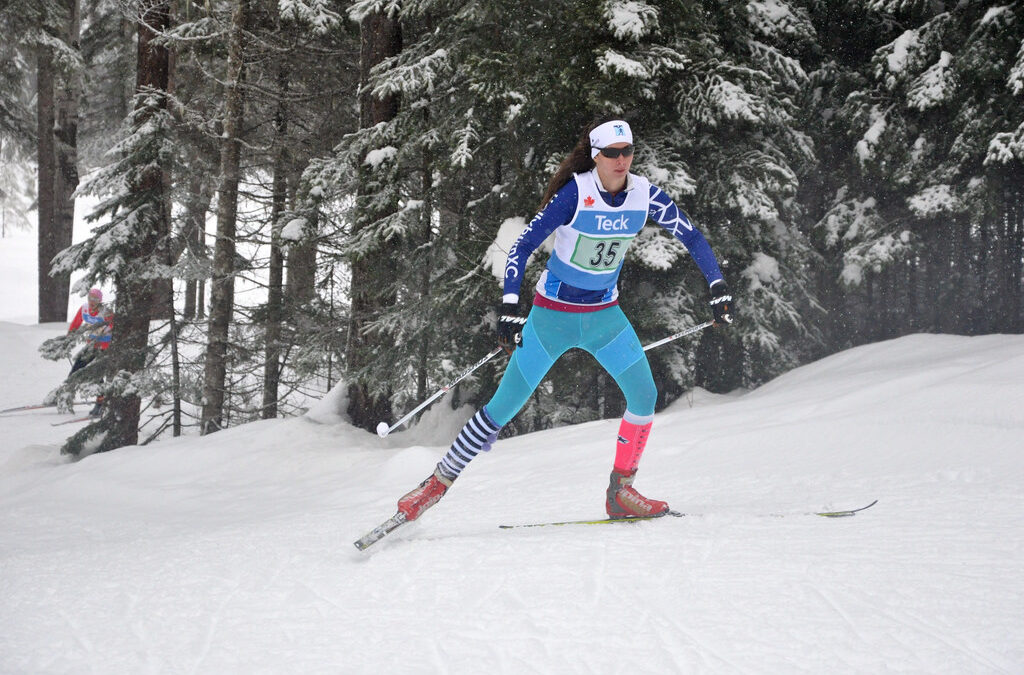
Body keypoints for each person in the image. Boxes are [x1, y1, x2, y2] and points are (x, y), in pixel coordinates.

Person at [395, 119, 734, 522]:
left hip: (604, 317)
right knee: (500, 409)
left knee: (644, 396)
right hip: (552, 317)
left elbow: (692, 236)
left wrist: (717, 285)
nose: (621, 160)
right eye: (612, 153)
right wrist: (509, 306)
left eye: (627, 151)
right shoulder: (576, 194)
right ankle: (434, 484)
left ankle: (621, 492)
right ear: (596, 156)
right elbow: (521, 248)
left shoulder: (644, 195)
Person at [67, 288, 114, 417]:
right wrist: (68, 339)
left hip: (105, 346)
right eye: (90, 298)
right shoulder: (85, 309)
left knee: (96, 374)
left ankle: (101, 403)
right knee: (76, 368)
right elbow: (75, 324)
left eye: (95, 299)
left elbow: (116, 327)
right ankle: (65, 395)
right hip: (91, 345)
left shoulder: (106, 312)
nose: (92, 301)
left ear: (100, 300)